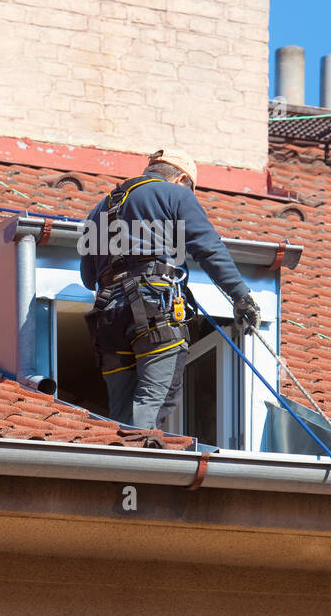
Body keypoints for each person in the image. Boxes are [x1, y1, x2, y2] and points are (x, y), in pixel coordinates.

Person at [80, 148, 261, 431]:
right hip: (153, 312)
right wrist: (241, 296)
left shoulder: (99, 209)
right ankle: (142, 465)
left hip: (109, 320)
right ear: (181, 180)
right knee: (153, 402)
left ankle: (120, 466)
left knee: (121, 412)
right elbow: (209, 248)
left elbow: (88, 277)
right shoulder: (175, 195)